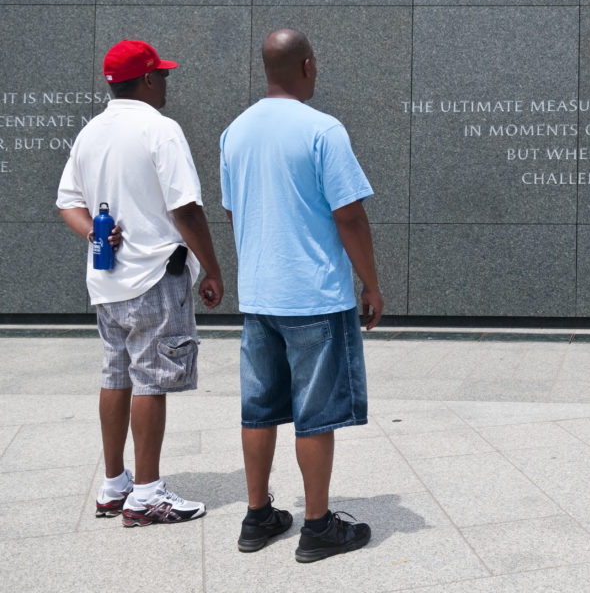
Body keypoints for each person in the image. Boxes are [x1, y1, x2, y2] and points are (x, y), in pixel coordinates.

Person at [220, 28, 384, 563]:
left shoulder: (235, 132)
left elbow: (232, 210)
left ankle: (257, 516)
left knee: (259, 409)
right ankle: (317, 526)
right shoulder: (323, 130)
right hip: (314, 296)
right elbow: (350, 215)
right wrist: (372, 283)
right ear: (308, 66)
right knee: (316, 415)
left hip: (260, 296)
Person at [56, 39, 224, 527]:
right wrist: (211, 268)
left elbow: (68, 202)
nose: (166, 84)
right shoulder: (160, 129)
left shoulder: (90, 133)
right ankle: (147, 494)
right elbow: (186, 208)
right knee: (151, 379)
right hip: (155, 273)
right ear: (147, 79)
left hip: (108, 276)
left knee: (116, 376)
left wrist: (95, 232)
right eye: (163, 75)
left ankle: (114, 485)